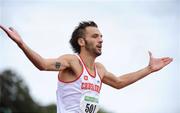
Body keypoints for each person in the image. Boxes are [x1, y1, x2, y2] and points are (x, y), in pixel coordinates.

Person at [0, 21, 173, 113]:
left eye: (101, 36)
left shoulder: (100, 69)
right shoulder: (71, 62)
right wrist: (21, 44)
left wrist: (149, 69)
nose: (101, 39)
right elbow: (43, 65)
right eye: (96, 36)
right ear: (82, 41)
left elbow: (119, 82)